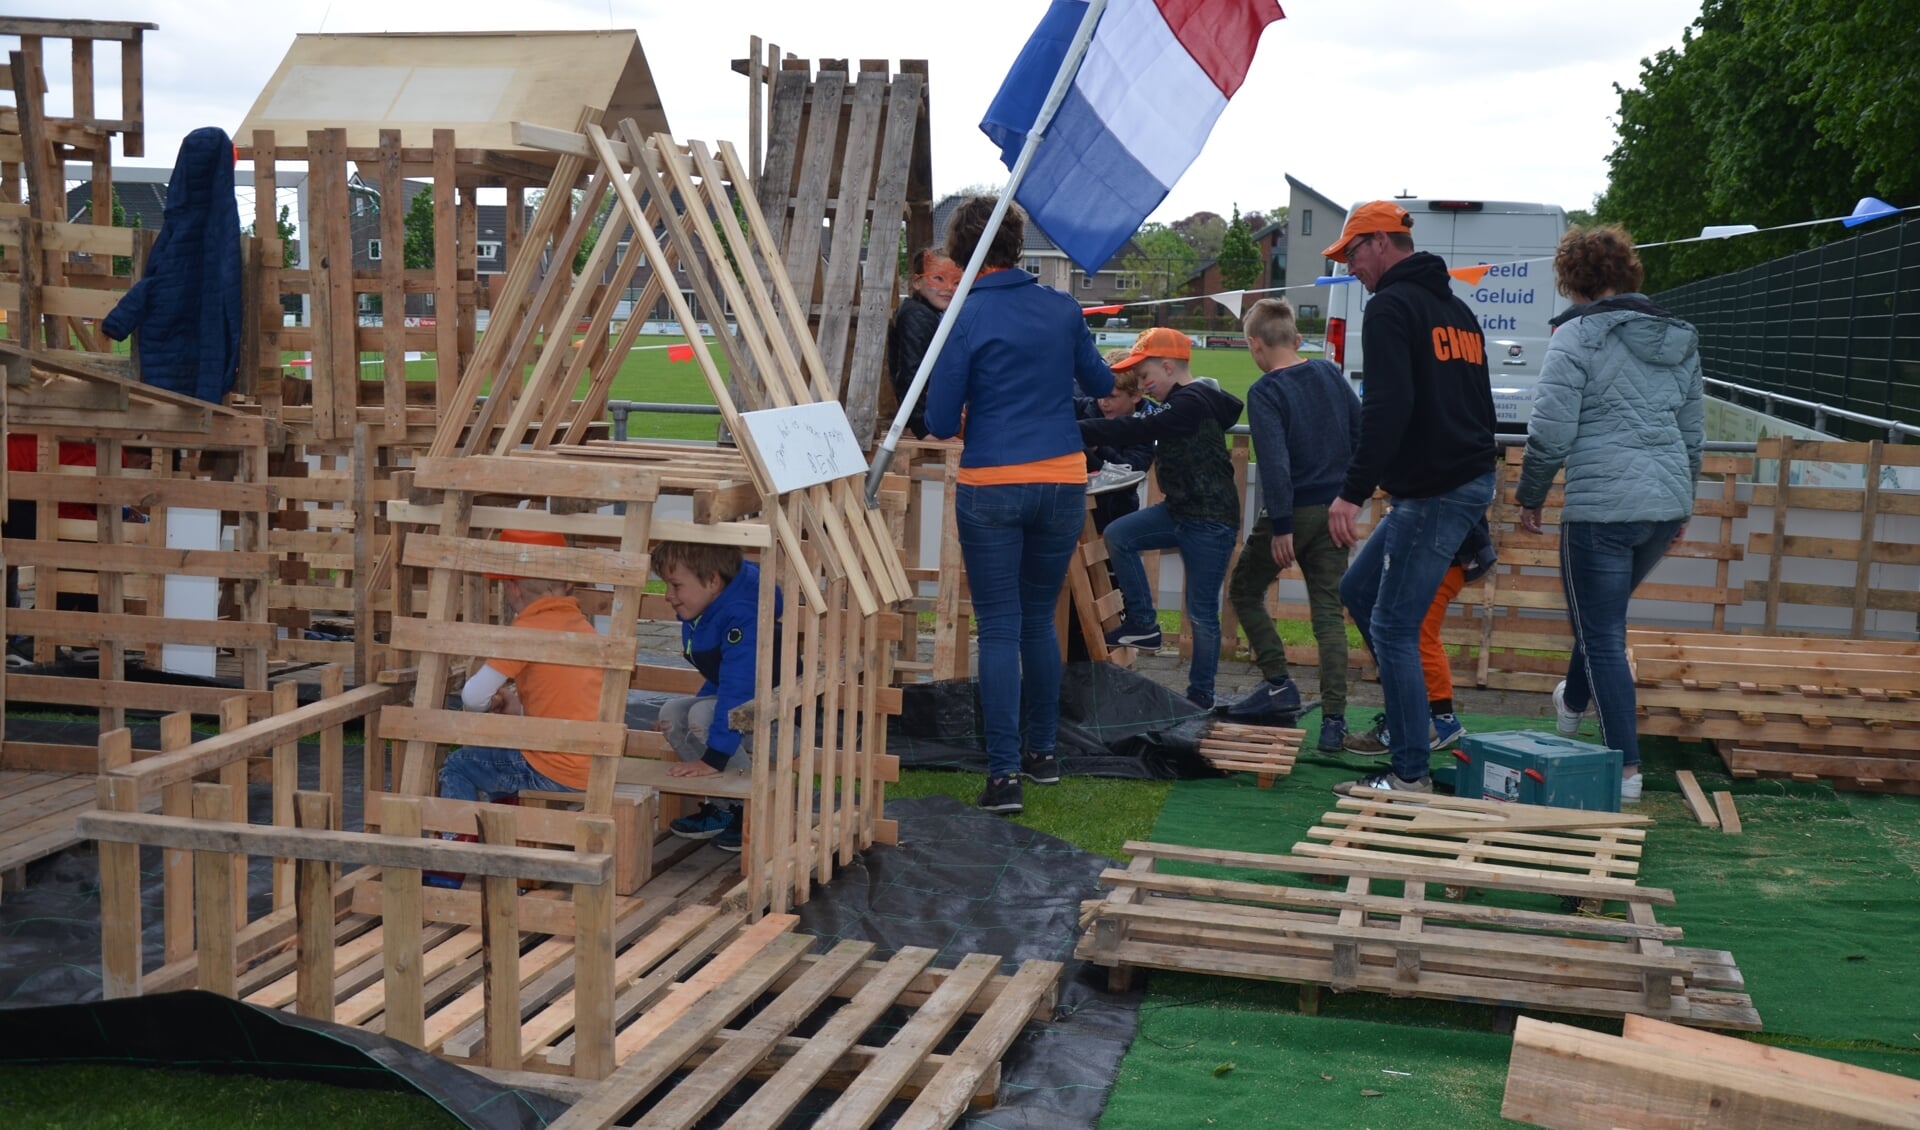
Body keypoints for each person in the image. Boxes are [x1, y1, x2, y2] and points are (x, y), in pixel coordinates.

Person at [923, 195, 1115, 816]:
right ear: (1018, 245)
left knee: (1001, 626)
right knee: (1037, 618)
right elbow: (1103, 384)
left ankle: (1005, 773)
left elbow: (937, 420)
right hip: (1062, 479)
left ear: (961, 252)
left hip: (993, 482)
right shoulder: (1061, 307)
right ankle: (1043, 753)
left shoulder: (964, 316)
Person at [1516, 224, 1703, 804]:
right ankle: (1571, 704)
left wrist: (1530, 494)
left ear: (1573, 280)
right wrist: (1683, 506)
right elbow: (1692, 434)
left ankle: (1626, 770)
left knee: (1601, 633)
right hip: (1663, 506)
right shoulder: (1679, 339)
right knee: (1602, 618)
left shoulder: (1577, 338)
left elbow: (1549, 431)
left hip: (1601, 507)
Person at [1322, 201, 1498, 796]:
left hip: (1435, 490)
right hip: (1455, 483)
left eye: (1351, 254)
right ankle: (1416, 720)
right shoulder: (1457, 309)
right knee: (1358, 590)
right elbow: (1479, 410)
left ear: (1378, 243)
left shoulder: (1391, 306)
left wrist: (1351, 492)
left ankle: (1409, 772)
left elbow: (1387, 408)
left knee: (1395, 627)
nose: (1350, 269)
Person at [1080, 327, 1245, 711]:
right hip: (1178, 511)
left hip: (1211, 520)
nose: (1141, 384)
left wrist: (1078, 430)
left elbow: (1139, 426)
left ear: (1168, 367)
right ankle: (1144, 624)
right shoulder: (1186, 400)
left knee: (1201, 610)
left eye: (1144, 375)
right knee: (1119, 535)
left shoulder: (1191, 401)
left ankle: (1200, 695)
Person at [1219, 298, 1358, 748]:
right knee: (1328, 615)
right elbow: (1361, 433)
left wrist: (1281, 526)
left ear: (1255, 345)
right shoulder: (1328, 373)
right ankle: (1334, 722)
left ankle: (1279, 684)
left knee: (1243, 589)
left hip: (1294, 510)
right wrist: (1349, 497)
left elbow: (1275, 464)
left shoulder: (1265, 392)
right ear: (1295, 337)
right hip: (1337, 507)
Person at [433, 529, 601, 885]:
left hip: (551, 769)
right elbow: (566, 705)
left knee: (460, 765)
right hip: (589, 767)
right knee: (501, 759)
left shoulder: (527, 629)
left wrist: (490, 702)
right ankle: (506, 829)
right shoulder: (581, 626)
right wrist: (518, 710)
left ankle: (449, 861)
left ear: (513, 588)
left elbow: (472, 697)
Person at [652, 540, 782, 852]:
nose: (668, 596)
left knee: (701, 717)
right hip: (745, 713)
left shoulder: (743, 617)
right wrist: (686, 716)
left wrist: (713, 758)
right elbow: (721, 677)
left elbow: (738, 689)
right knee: (672, 714)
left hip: (778, 721)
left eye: (676, 585)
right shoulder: (712, 605)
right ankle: (726, 808)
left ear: (712, 581)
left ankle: (750, 811)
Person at [1342, 519, 1496, 754]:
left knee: (1421, 638)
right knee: (1419, 636)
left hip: (1438, 559)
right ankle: (1433, 717)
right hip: (1435, 552)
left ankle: (1437, 720)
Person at [1075, 349, 1159, 534]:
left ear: (1136, 396)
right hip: (1072, 512)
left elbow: (1131, 471)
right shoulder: (1081, 407)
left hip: (1116, 517)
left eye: (1112, 396)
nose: (1103, 402)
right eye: (1100, 394)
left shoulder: (1147, 426)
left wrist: (1097, 448)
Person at [884, 248, 961, 440]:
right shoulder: (917, 316)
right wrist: (921, 427)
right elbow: (912, 372)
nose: (949, 288)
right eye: (939, 279)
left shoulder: (932, 315)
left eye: (957, 281)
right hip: (922, 421)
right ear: (918, 282)